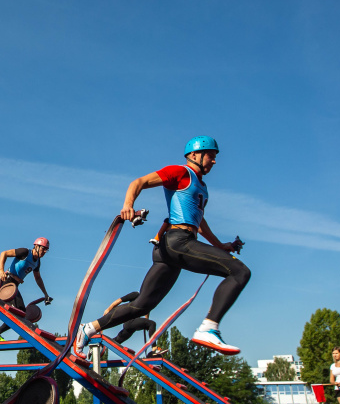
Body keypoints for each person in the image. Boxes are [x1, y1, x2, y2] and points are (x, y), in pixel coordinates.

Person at [74, 136, 250, 356]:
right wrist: (128, 205)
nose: (214, 161)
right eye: (211, 156)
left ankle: (88, 328)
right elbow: (138, 182)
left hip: (173, 248)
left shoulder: (201, 187)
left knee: (142, 305)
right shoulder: (180, 172)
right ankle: (209, 328)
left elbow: (199, 221)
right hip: (178, 242)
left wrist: (220, 246)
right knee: (240, 272)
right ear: (194, 155)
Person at [0, 238, 52, 341]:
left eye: (46, 250)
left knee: (20, 313)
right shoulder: (25, 252)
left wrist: (45, 294)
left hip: (14, 285)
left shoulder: (37, 262)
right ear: (36, 246)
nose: (44, 252)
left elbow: (38, 278)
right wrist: (1, 271)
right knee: (20, 312)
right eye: (43, 249)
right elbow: (3, 253)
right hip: (8, 283)